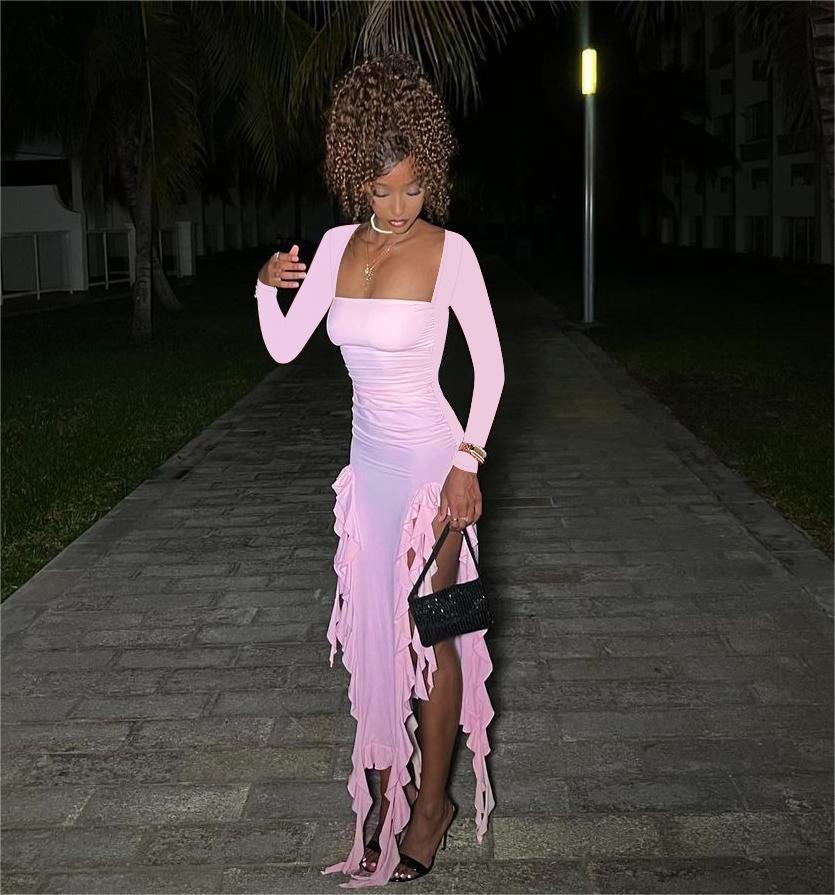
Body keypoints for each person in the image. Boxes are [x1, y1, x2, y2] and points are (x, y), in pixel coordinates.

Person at [253, 51, 505, 888]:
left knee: (435, 630)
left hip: (435, 467)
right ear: (354, 176)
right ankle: (384, 797)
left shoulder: (450, 252)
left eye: (414, 187)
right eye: (382, 189)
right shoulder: (333, 246)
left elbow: (491, 370)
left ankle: (431, 807)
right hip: (367, 474)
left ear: (431, 172)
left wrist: (467, 463)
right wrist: (265, 287)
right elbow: (285, 345)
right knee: (373, 639)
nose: (399, 207)